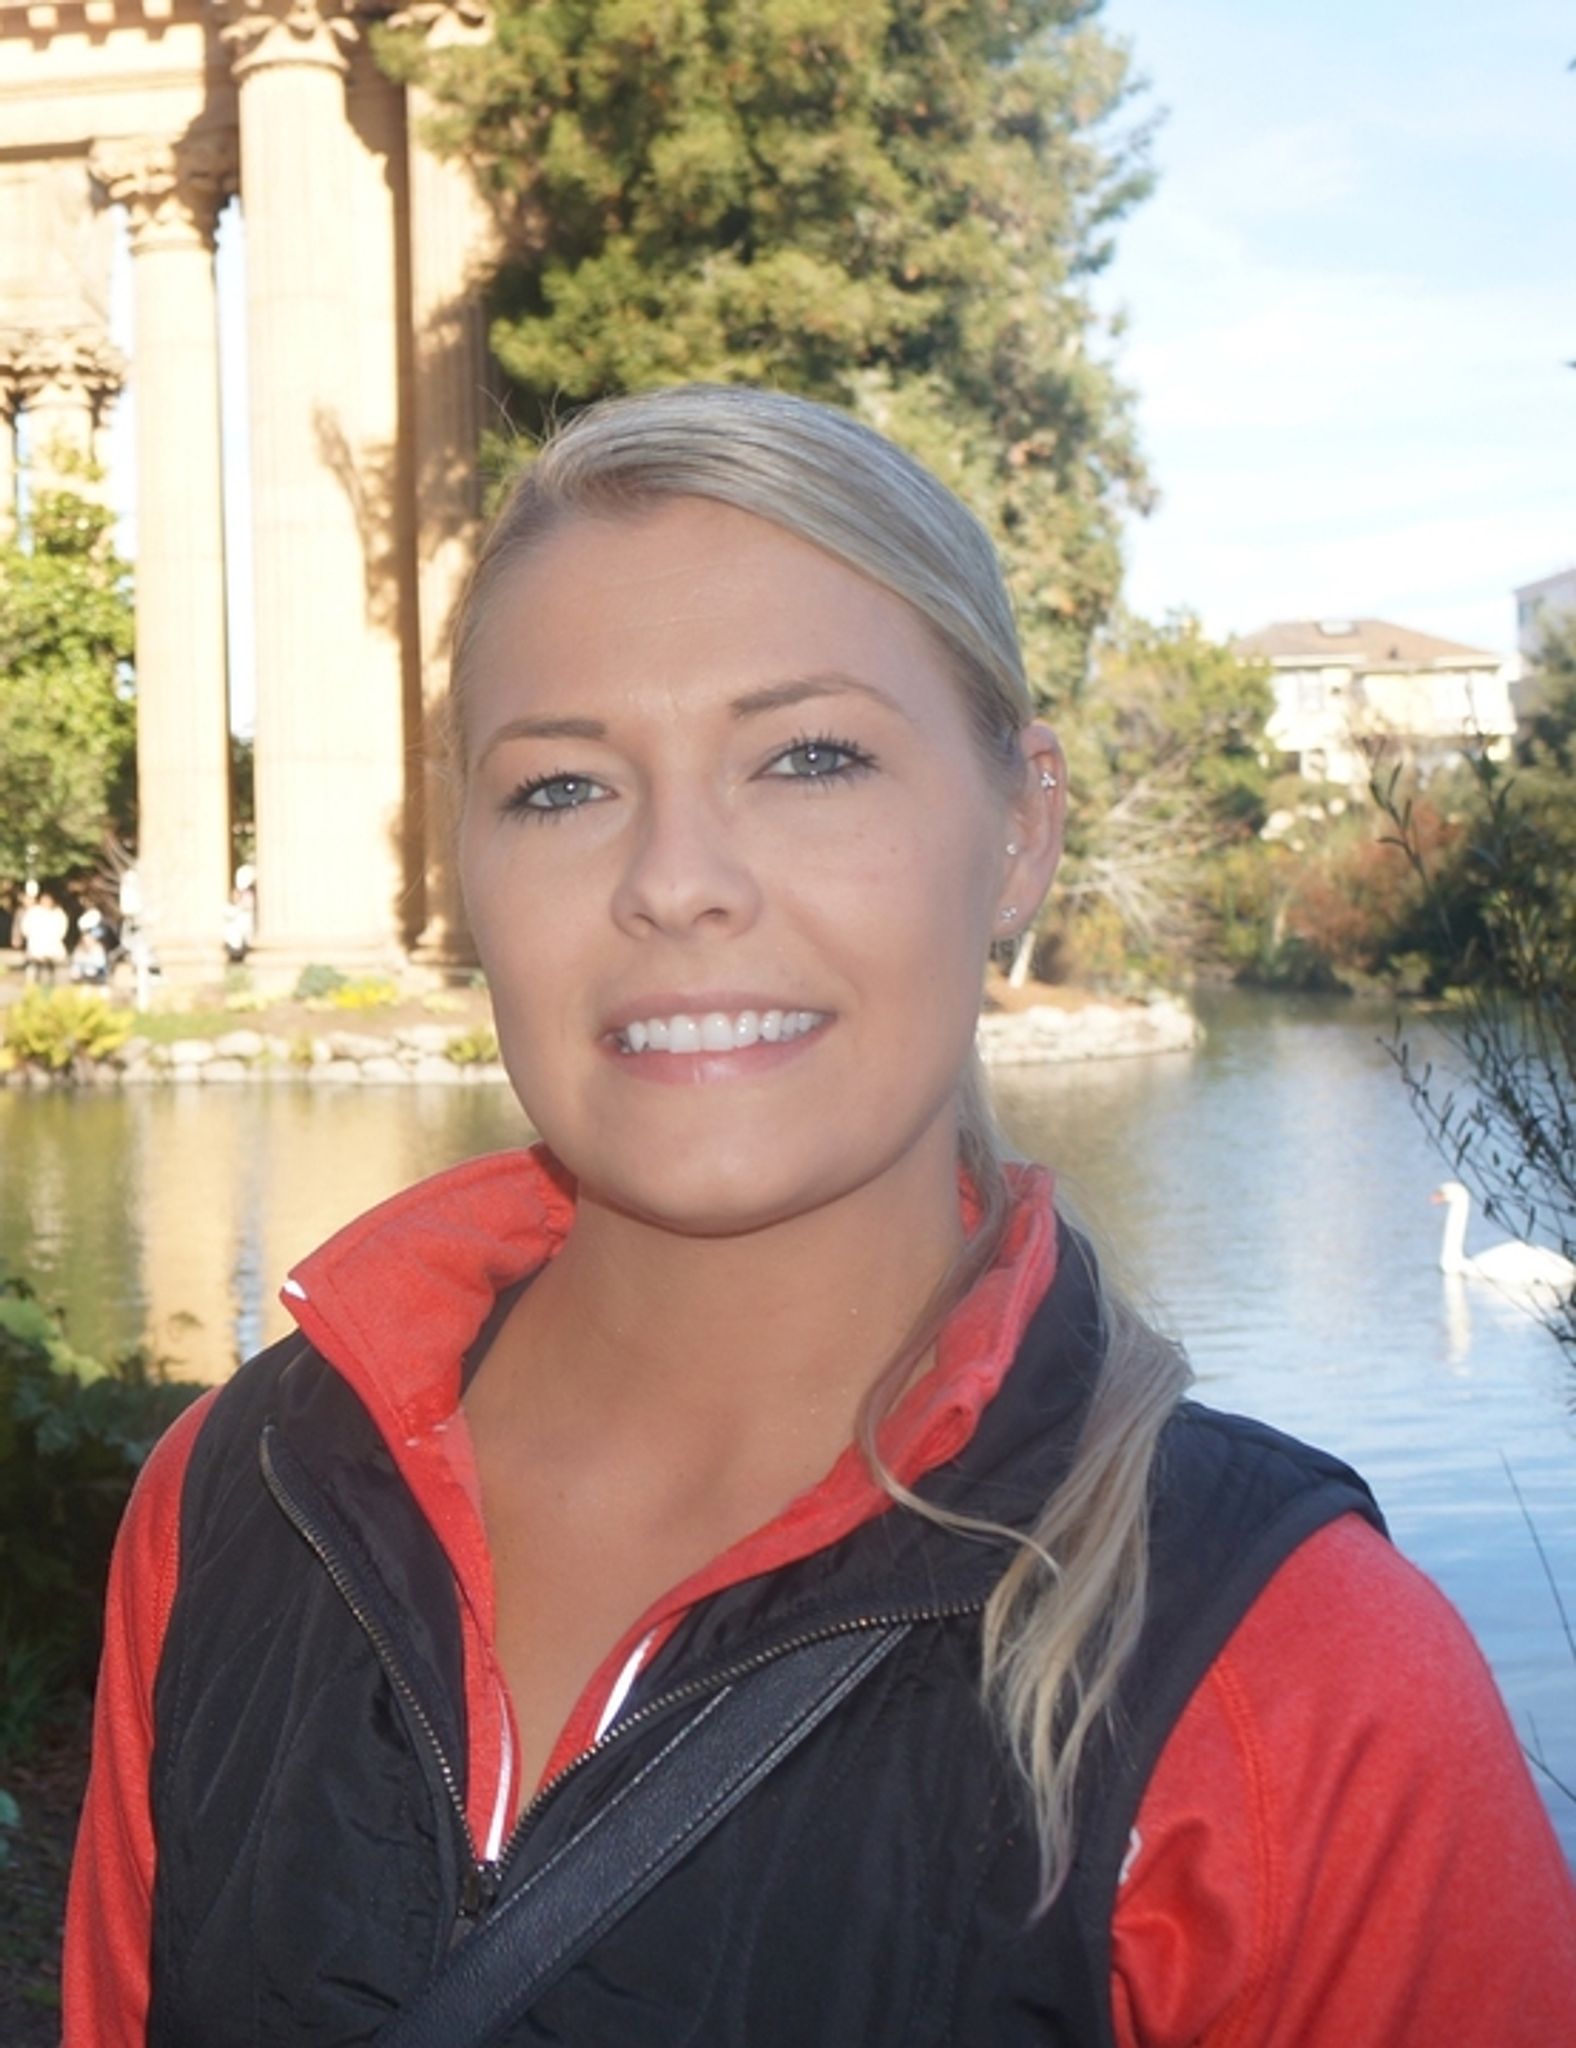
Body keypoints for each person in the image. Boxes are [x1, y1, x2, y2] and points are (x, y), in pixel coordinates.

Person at [65, 387, 1576, 2046]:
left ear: (1021, 829)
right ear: (467, 866)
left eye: (810, 758)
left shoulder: (1300, 1680)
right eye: (562, 787)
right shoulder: (236, 1497)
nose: (676, 879)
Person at [19, 888, 69, 986]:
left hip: (52, 945)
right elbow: (26, 927)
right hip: (36, 945)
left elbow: (61, 929)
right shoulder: (34, 912)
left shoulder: (58, 913)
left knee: (52, 969)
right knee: (34, 969)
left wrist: (54, 939)